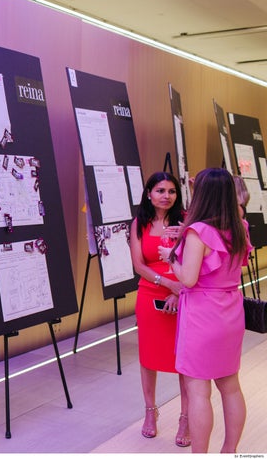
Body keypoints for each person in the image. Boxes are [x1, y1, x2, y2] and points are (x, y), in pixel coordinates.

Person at [159, 168, 251, 453]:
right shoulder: (240, 227)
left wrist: (169, 258)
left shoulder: (199, 232)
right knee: (231, 386)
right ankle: (230, 450)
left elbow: (188, 278)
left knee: (199, 391)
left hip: (202, 314)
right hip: (231, 311)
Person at [129, 171, 189, 447]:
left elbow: (194, 260)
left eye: (172, 191)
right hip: (150, 293)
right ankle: (150, 412)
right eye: (160, 190)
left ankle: (186, 417)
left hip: (184, 294)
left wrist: (179, 289)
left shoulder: (186, 221)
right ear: (149, 194)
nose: (166, 196)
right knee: (148, 356)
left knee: (185, 360)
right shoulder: (139, 223)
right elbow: (139, 264)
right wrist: (165, 283)